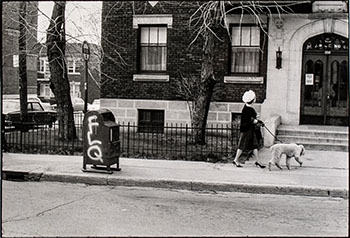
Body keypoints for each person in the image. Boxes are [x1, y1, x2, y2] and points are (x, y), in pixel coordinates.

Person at [232, 90, 266, 168]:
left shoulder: (246, 108)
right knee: (242, 145)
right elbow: (251, 120)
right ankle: (236, 160)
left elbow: (252, 120)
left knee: (254, 145)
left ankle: (258, 161)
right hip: (247, 130)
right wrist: (258, 122)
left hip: (250, 130)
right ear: (253, 100)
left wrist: (258, 122)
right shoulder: (248, 110)